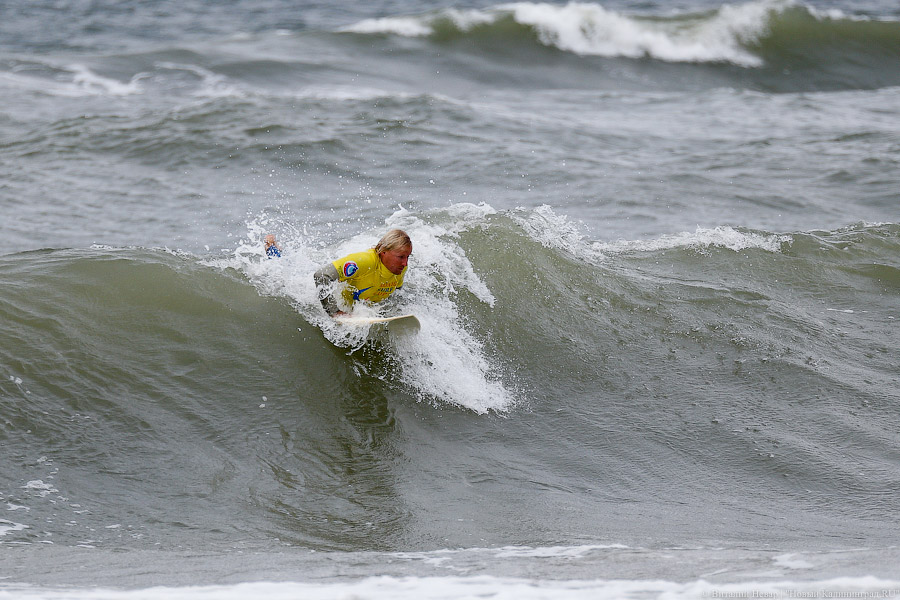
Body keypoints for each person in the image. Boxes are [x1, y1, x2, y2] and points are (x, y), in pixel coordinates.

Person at [313, 229, 412, 316]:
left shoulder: (400, 268)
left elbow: (397, 293)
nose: (405, 263)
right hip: (346, 309)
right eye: (400, 257)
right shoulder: (364, 262)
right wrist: (334, 312)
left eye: (407, 257)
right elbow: (322, 275)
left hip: (370, 311)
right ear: (384, 251)